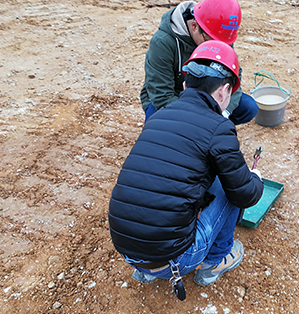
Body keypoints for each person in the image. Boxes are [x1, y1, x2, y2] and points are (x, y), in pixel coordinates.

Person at [109, 40, 264, 300]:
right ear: (225, 91)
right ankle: (215, 260)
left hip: (126, 251)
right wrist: (254, 177)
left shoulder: (159, 116)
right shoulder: (219, 127)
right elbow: (245, 195)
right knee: (231, 188)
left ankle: (145, 270)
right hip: (177, 259)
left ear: (184, 85)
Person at [140, 0, 259, 125]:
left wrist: (223, 113)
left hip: (208, 93)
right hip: (174, 95)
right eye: (210, 41)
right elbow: (161, 94)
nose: (217, 46)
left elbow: (234, 77)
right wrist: (199, 118)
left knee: (248, 107)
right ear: (194, 26)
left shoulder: (217, 34)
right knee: (158, 128)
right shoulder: (163, 43)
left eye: (223, 43)